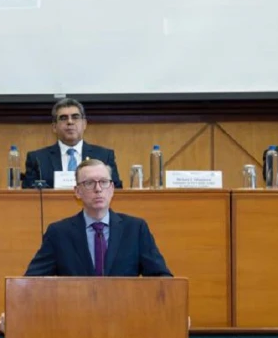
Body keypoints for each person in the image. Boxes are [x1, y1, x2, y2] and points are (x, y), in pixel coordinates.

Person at [24, 159, 171, 277]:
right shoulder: (59, 233)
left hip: (123, 311)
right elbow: (32, 281)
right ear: (77, 192)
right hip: (76, 311)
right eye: (89, 183)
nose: (98, 189)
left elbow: (161, 278)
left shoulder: (135, 229)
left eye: (104, 182)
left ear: (112, 189)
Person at [23, 98, 122, 188]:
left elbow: (116, 190)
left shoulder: (103, 156)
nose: (70, 122)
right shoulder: (38, 159)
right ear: (54, 127)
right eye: (63, 118)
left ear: (84, 124)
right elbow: (28, 195)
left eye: (75, 117)